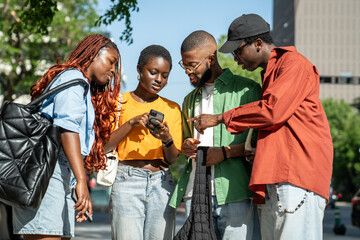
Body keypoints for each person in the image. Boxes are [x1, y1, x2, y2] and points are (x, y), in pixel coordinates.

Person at [190, 14, 333, 239]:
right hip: (275, 179)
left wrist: (219, 118)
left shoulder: (294, 64)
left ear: (257, 44)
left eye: (238, 52)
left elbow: (272, 111)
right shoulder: (269, 74)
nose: (236, 59)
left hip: (297, 178)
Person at [12, 34, 121, 240]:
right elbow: (67, 128)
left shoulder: (82, 87)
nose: (113, 70)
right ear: (92, 55)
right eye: (111, 61)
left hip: (60, 172)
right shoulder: (73, 79)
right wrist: (81, 180)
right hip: (47, 170)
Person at [169, 30, 261, 240]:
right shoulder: (189, 100)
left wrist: (225, 153)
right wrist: (187, 146)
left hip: (235, 193)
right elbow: (184, 144)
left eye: (191, 64)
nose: (187, 72)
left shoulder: (247, 90)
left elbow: (259, 144)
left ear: (211, 59)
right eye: (184, 65)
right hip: (196, 192)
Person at [104, 45, 182, 240]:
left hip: (162, 182)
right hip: (126, 181)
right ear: (139, 69)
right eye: (153, 72)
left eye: (164, 75)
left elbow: (173, 159)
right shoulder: (118, 103)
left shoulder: (172, 108)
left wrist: (167, 138)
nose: (159, 80)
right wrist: (131, 122)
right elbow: (105, 147)